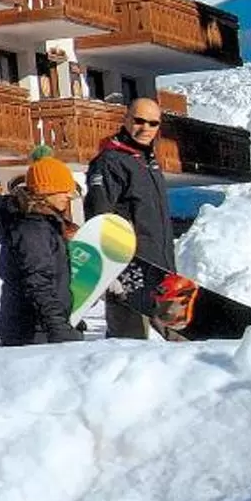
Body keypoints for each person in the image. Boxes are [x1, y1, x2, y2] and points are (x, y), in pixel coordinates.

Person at [83, 97, 173, 339]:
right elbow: (99, 216)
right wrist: (110, 270)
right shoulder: (110, 162)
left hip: (159, 269)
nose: (146, 129)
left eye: (153, 123)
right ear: (126, 119)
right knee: (130, 350)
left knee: (180, 356)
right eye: (139, 121)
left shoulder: (148, 161)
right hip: (130, 271)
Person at [0, 156, 80, 347]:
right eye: (63, 190)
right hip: (31, 332)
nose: (68, 196)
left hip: (38, 328)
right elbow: (37, 282)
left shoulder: (44, 223)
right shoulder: (32, 228)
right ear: (46, 190)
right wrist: (57, 327)